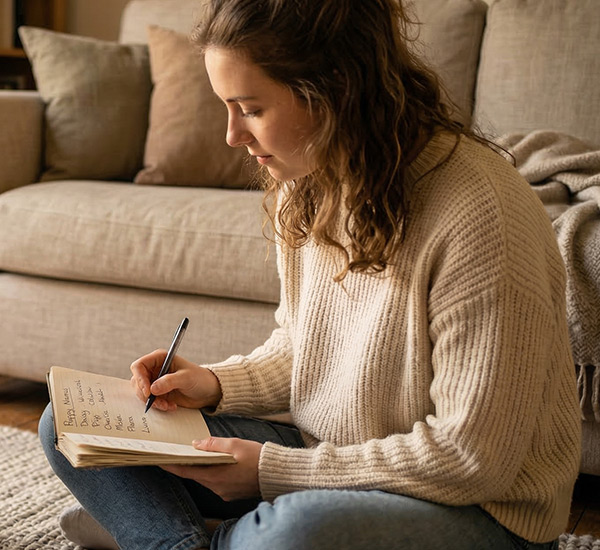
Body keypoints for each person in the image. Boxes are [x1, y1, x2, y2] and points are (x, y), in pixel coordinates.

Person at [37, 0, 582, 548]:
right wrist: (217, 383)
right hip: (328, 459)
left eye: (249, 108)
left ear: (335, 91)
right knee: (67, 420)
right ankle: (191, 541)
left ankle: (164, 533)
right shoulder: (306, 179)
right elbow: (307, 346)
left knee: (293, 534)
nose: (232, 136)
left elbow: (471, 459)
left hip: (480, 511)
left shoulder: (480, 212)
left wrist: (272, 473)